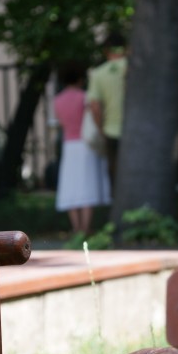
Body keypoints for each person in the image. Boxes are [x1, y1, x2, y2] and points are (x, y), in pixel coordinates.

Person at [54, 60, 111, 235]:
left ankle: (76, 228)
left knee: (71, 186)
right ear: (80, 78)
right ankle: (86, 228)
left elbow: (61, 123)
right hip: (86, 144)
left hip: (69, 146)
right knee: (87, 185)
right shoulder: (84, 97)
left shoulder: (58, 100)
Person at [85, 32, 127, 191]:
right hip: (136, 131)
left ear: (106, 50)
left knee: (115, 176)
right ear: (125, 48)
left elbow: (95, 106)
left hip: (111, 131)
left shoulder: (98, 73)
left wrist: (100, 128)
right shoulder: (135, 69)